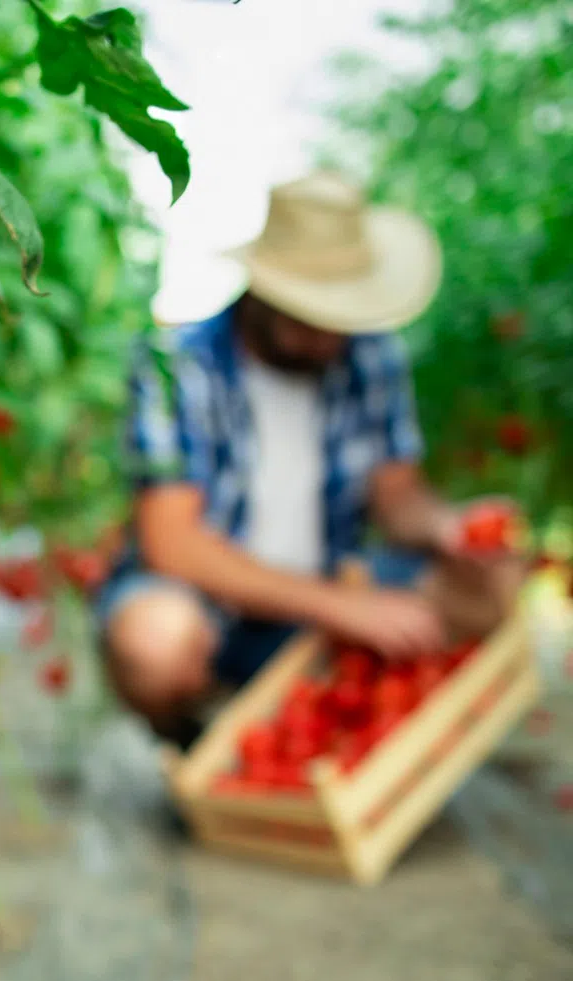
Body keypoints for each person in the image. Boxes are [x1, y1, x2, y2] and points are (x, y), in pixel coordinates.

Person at [95, 172, 524, 744]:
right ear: (263, 292)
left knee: (497, 582)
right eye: (309, 316)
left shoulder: (370, 356)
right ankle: (197, 742)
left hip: (331, 589)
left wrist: (446, 526)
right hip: (218, 611)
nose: (329, 337)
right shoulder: (176, 365)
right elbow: (172, 543)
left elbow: (397, 495)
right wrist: (342, 607)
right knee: (154, 641)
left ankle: (348, 725)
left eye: (340, 317)